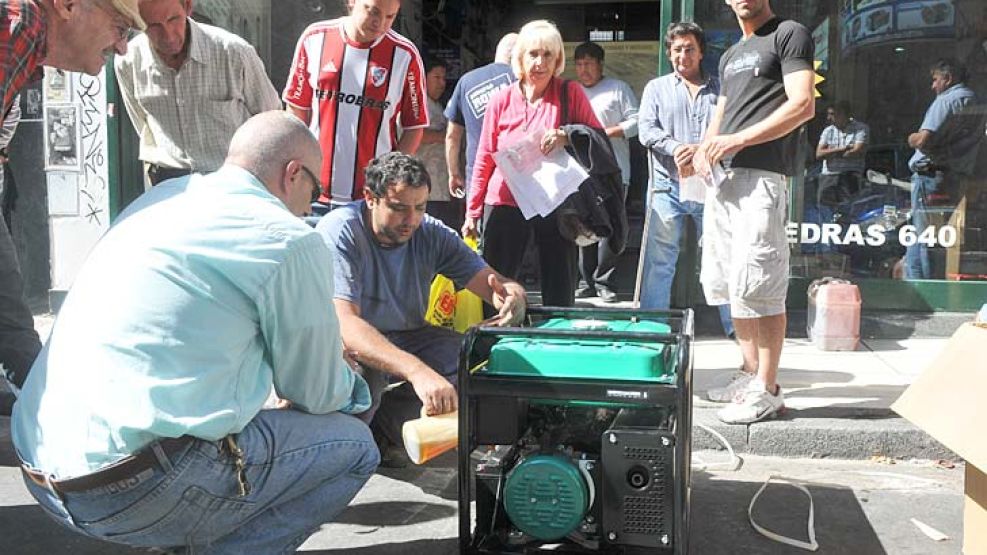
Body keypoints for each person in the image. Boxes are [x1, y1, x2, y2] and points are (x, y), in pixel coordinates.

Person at [12, 111, 378, 553]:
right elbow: (317, 392)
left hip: (41, 467)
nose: (312, 205)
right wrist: (354, 384)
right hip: (134, 490)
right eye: (314, 190)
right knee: (355, 446)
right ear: (292, 174)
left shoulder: (165, 196)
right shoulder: (289, 238)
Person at [316, 151, 527, 465]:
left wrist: (512, 296)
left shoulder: (431, 232)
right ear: (370, 198)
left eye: (420, 207)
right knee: (364, 375)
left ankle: (386, 427)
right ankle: (340, 456)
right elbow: (346, 324)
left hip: (408, 334)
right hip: (345, 343)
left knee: (476, 358)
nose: (411, 220)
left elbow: (493, 282)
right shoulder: (340, 230)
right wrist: (418, 372)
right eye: (399, 208)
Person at [0, 0, 145, 415]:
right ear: (67, 6)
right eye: (120, 28)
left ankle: (50, 409)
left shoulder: (27, 42)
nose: (121, 48)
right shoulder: (22, 23)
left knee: (10, 309)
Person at [692, 0, 815, 424]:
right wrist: (702, 150)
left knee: (759, 280)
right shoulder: (730, 54)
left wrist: (737, 140)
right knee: (729, 281)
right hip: (722, 180)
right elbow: (721, 118)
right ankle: (748, 374)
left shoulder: (789, 33)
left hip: (762, 176)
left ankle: (768, 387)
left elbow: (802, 105)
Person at [463, 19, 601, 309]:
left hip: (554, 203)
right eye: (533, 54)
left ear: (558, 59)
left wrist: (567, 135)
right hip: (504, 202)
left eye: (548, 54)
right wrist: (472, 211)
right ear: (520, 58)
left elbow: (598, 138)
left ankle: (555, 343)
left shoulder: (570, 93)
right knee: (496, 286)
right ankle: (493, 345)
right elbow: (484, 156)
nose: (540, 62)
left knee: (559, 285)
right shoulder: (500, 99)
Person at [114, 0, 282, 186]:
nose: (168, 35)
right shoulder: (128, 61)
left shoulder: (233, 53)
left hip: (232, 179)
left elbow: (272, 122)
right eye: (153, 26)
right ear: (138, 22)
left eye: (173, 19)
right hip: (168, 182)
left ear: (187, 6)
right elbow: (142, 123)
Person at [283, 0, 428, 208]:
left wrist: (390, 181)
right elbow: (296, 111)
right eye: (373, 11)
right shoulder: (315, 38)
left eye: (390, 17)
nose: (380, 23)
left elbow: (414, 127)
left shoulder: (405, 55)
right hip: (312, 192)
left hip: (371, 200)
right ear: (352, 2)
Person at [637, 22, 732, 339]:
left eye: (689, 48)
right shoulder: (656, 88)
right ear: (669, 53)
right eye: (676, 49)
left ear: (701, 51)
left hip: (712, 186)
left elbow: (731, 129)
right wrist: (676, 147)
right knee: (660, 262)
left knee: (720, 256)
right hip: (667, 186)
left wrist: (706, 149)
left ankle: (736, 328)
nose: (683, 55)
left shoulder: (720, 90)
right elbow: (646, 130)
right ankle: (653, 330)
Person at [571, 41, 638, 303]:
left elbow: (637, 123)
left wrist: (604, 134)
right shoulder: (572, 91)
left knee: (611, 226)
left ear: (600, 64)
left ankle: (604, 282)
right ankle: (584, 281)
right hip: (580, 173)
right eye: (579, 64)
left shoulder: (618, 89)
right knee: (583, 226)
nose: (583, 69)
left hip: (613, 171)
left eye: (588, 63)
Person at [905, 59, 982, 280]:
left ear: (947, 79)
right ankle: (916, 282)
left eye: (935, 80)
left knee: (927, 236)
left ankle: (926, 288)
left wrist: (912, 138)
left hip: (931, 175)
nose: (933, 86)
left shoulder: (947, 100)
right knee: (930, 236)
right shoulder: (972, 99)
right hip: (954, 174)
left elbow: (923, 140)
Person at [444, 32, 518, 202]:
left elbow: (452, 136)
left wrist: (453, 173)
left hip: (477, 178)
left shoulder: (466, 81)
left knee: (477, 226)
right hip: (515, 179)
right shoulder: (522, 81)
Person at [419, 57, 459, 229]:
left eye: (444, 78)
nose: (442, 83)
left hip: (441, 187)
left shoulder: (439, 107)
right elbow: (416, 135)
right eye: (437, 77)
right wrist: (450, 136)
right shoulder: (417, 104)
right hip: (424, 188)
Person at [815, 100, 869, 204]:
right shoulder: (828, 131)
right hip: (828, 176)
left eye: (832, 114)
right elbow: (819, 154)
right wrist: (842, 149)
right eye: (828, 114)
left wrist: (829, 152)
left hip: (849, 175)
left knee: (848, 209)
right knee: (825, 209)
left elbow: (855, 152)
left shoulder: (860, 129)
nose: (828, 118)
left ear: (844, 114)